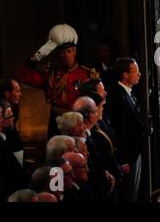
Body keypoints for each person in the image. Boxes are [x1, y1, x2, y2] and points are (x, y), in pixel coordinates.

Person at [15, 23, 98, 137]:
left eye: (69, 51)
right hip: (55, 123)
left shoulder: (87, 74)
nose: (66, 56)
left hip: (78, 121)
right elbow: (21, 75)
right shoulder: (50, 73)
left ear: (75, 51)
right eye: (62, 52)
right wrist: (37, 56)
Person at [104, 57, 144, 201]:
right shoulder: (117, 96)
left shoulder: (128, 92)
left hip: (133, 154)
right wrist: (122, 160)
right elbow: (119, 131)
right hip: (127, 158)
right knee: (128, 194)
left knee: (133, 191)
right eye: (136, 72)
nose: (139, 75)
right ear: (125, 75)